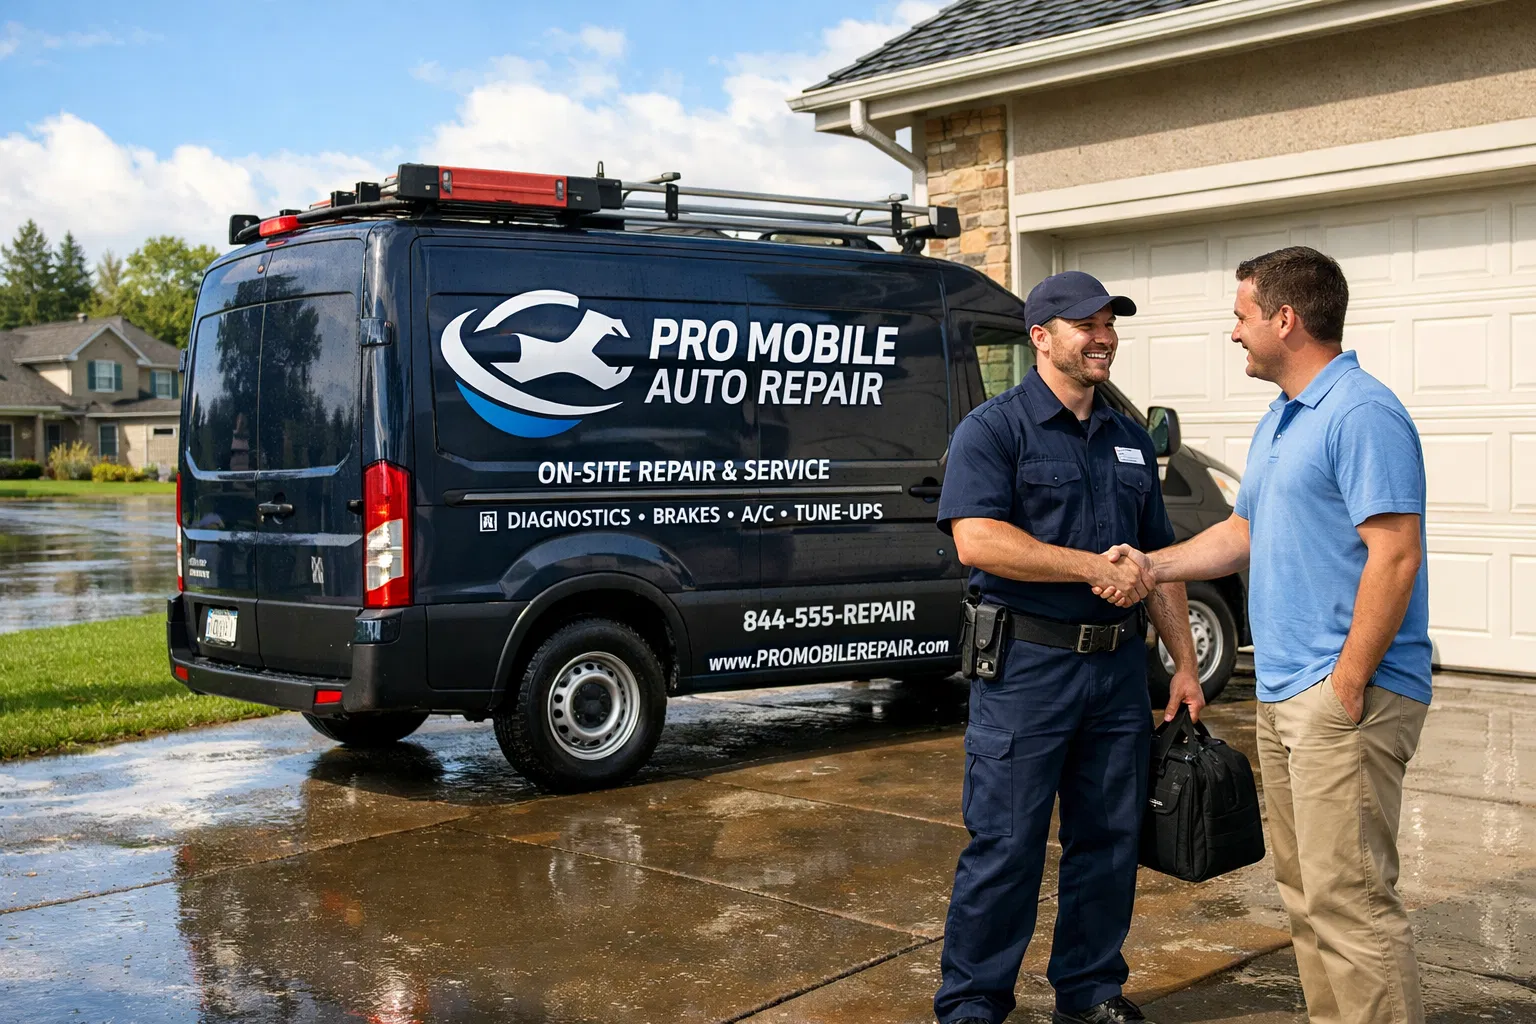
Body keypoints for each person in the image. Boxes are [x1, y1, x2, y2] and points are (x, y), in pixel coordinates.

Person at [1099, 246, 1432, 1024]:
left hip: (1342, 693)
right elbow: (1242, 532)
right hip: (1288, 694)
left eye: (1242, 316)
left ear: (1286, 318)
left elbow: (1396, 553)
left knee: (1350, 900)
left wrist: (1348, 681)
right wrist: (1149, 565)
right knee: (1307, 895)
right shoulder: (1284, 415)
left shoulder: (1361, 412)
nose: (1235, 333)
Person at [934, 270, 1205, 1024]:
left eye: (1110, 323)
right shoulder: (994, 429)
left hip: (1117, 674)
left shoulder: (1126, 438)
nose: (1104, 336)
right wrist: (1090, 567)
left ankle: (1088, 995)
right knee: (1007, 846)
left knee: (1110, 841)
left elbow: (1157, 559)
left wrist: (1182, 664)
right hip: (1028, 667)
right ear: (1041, 337)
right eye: (1086, 325)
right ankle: (972, 1005)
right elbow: (977, 540)